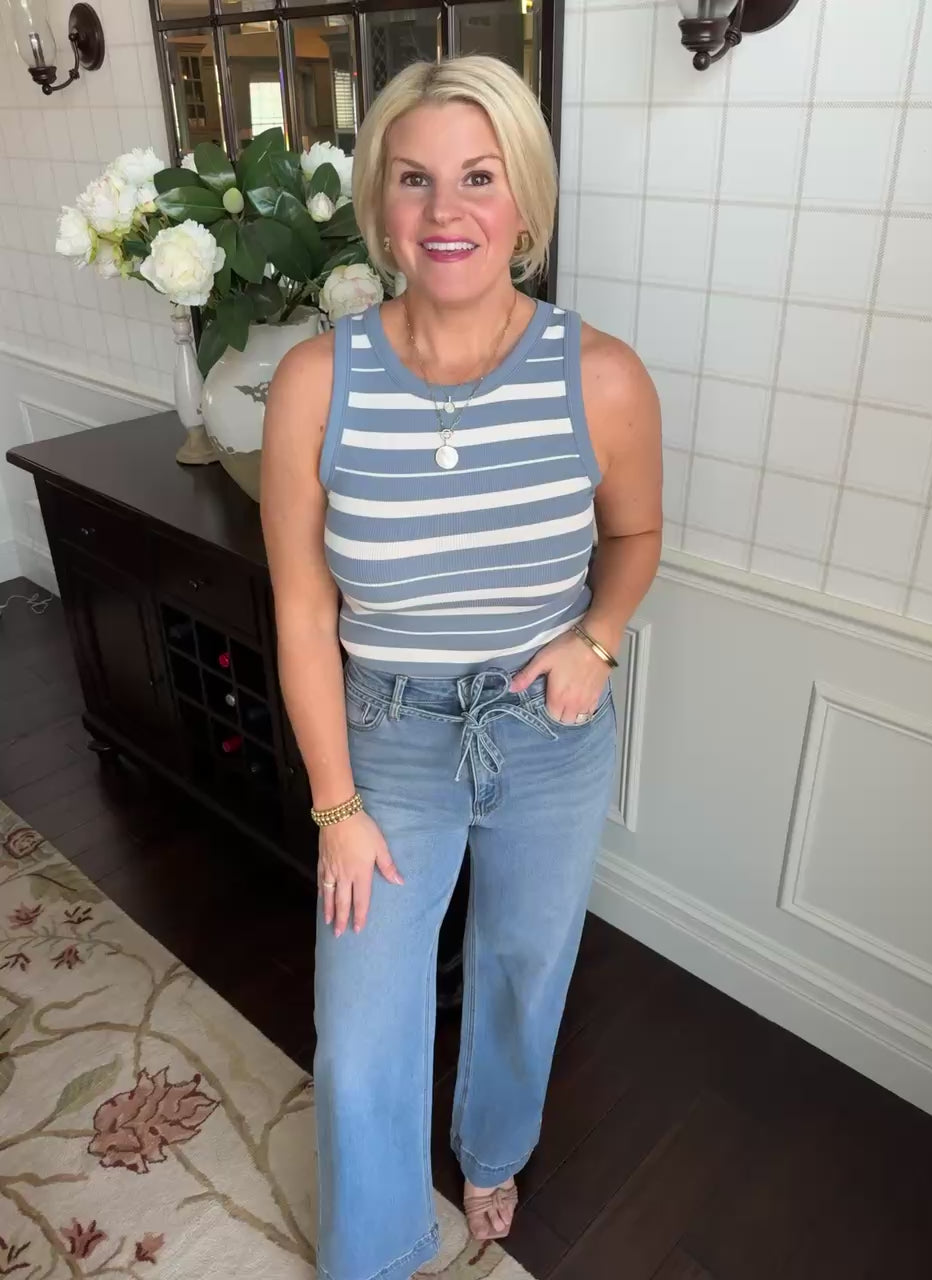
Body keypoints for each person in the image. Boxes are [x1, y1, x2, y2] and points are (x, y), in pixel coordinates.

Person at [260, 53, 662, 1280]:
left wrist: (598, 637)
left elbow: (637, 537)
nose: (447, 211)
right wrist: (336, 803)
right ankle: (375, 1251)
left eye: (479, 178)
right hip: (386, 736)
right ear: (380, 204)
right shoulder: (315, 382)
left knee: (524, 966)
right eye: (416, 179)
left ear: (524, 202)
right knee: (361, 1024)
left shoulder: (601, 376)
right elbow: (302, 609)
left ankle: (493, 1148)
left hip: (548, 731)